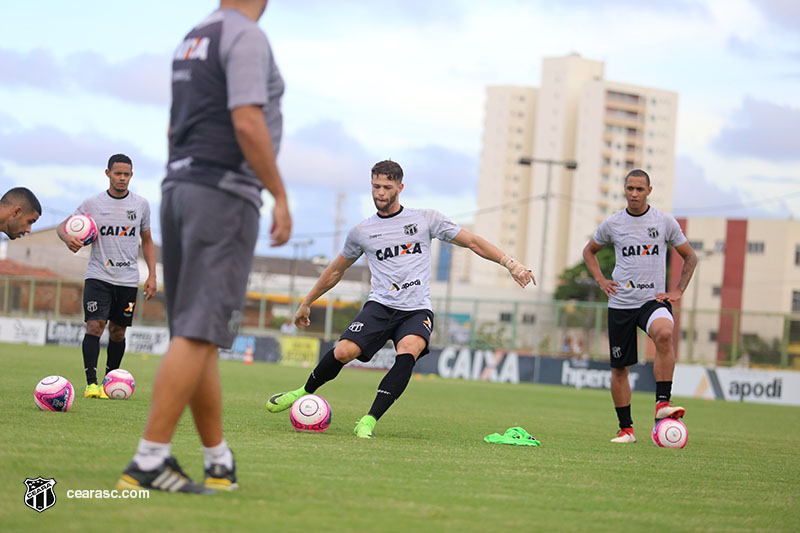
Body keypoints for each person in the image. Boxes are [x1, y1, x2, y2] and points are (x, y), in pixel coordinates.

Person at [117, 0, 291, 494]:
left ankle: (218, 461)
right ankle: (149, 459)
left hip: (181, 187)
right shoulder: (246, 36)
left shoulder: (194, 35)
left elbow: (174, 127)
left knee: (199, 336)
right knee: (197, 334)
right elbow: (247, 121)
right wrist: (278, 193)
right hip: (224, 194)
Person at [266, 160, 534, 438]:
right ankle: (302, 391)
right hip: (380, 305)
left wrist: (510, 263)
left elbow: (473, 242)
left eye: (387, 187)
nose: (380, 192)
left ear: (400, 187)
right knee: (344, 352)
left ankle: (369, 420)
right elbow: (336, 270)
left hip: (416, 309)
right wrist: (306, 302)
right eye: (376, 186)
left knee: (409, 350)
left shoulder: (425, 219)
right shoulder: (362, 232)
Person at [582, 169, 697, 444]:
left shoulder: (664, 222)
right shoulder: (612, 224)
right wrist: (601, 280)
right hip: (621, 304)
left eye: (639, 189)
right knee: (620, 369)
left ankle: (662, 404)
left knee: (665, 334)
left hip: (651, 301)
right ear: (624, 190)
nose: (634, 194)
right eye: (630, 189)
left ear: (649, 191)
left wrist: (678, 291)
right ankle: (626, 430)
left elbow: (690, 257)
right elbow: (589, 251)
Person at [57, 154, 156, 400]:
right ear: (108, 173)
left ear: (131, 175)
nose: (122, 178)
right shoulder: (92, 203)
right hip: (98, 275)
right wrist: (67, 237)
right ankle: (91, 384)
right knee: (94, 325)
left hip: (128, 279)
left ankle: (108, 382)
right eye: (117, 173)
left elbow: (147, 240)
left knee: (118, 332)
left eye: (126, 174)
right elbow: (63, 226)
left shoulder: (141, 204)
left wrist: (152, 274)